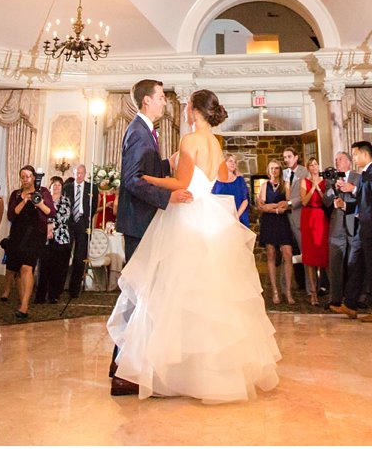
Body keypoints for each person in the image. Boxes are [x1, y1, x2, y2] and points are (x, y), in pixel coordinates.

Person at [107, 89, 280, 402]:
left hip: (186, 215)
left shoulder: (190, 140)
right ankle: (210, 371)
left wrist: (150, 178)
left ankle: (172, 370)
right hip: (209, 213)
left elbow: (181, 185)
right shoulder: (215, 142)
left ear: (195, 109)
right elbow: (217, 176)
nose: (183, 108)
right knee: (210, 296)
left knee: (172, 292)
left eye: (187, 104)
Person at [110, 78, 192, 396]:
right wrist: (167, 198)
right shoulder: (138, 132)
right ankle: (123, 373)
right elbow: (131, 180)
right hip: (139, 223)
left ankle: (121, 365)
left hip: (142, 222)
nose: (164, 102)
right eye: (160, 97)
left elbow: (143, 169)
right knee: (139, 296)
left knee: (139, 296)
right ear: (147, 100)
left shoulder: (144, 131)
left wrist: (164, 164)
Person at [340, 141, 372, 323]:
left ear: (364, 154)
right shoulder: (364, 175)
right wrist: (345, 205)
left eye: (355, 154)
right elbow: (363, 202)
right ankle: (350, 305)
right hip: (364, 227)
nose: (353, 158)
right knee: (357, 266)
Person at [5, 166, 52, 319]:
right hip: (18, 233)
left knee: (27, 267)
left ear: (34, 177)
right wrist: (24, 201)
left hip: (35, 233)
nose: (26, 179)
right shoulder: (16, 194)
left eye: (29, 176)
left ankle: (25, 306)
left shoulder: (43, 191)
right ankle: (22, 301)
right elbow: (11, 215)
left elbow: (51, 212)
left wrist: (38, 202)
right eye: (23, 177)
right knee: (19, 269)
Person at [325, 151, 359, 312]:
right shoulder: (331, 178)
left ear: (349, 162)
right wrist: (333, 187)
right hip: (337, 225)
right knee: (335, 262)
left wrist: (351, 188)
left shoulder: (358, 178)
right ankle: (335, 298)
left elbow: (363, 197)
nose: (337, 162)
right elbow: (325, 201)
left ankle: (356, 298)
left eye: (340, 159)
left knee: (355, 262)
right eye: (336, 159)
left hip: (354, 223)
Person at [257, 159, 295, 305]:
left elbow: (287, 204)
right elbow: (262, 207)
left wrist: (272, 208)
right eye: (271, 168)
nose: (274, 171)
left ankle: (288, 291)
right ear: (268, 170)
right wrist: (276, 208)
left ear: (280, 170)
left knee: (287, 253)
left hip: (282, 222)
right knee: (271, 254)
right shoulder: (264, 185)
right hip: (269, 222)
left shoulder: (285, 185)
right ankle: (275, 291)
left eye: (277, 168)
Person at [36, 176, 74, 304]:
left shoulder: (65, 200)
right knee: (43, 267)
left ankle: (54, 295)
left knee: (57, 268)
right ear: (50, 186)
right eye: (54, 184)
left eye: (59, 185)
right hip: (45, 237)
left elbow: (64, 217)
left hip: (61, 237)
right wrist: (46, 227)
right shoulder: (44, 200)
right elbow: (40, 215)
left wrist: (51, 224)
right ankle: (40, 295)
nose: (57, 187)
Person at [298, 157, 329, 306]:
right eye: (311, 165)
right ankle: (313, 292)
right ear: (308, 168)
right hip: (309, 216)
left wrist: (319, 189)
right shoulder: (305, 181)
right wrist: (312, 188)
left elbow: (327, 201)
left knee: (323, 255)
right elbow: (304, 201)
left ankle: (327, 288)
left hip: (321, 216)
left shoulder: (325, 181)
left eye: (316, 164)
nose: (314, 167)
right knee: (310, 257)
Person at [65, 164, 94, 299]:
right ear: (74, 173)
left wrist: (86, 218)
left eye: (82, 173)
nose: (79, 176)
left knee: (80, 257)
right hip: (69, 223)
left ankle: (74, 289)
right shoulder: (68, 188)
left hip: (83, 223)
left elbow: (93, 207)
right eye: (77, 173)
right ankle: (60, 286)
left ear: (85, 173)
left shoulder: (91, 188)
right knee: (65, 253)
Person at [211, 152, 250, 225]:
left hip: (238, 218)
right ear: (224, 163)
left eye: (235, 162)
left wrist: (236, 216)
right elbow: (212, 200)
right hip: (220, 219)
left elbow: (245, 201)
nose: (233, 163)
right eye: (230, 161)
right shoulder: (215, 181)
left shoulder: (240, 180)